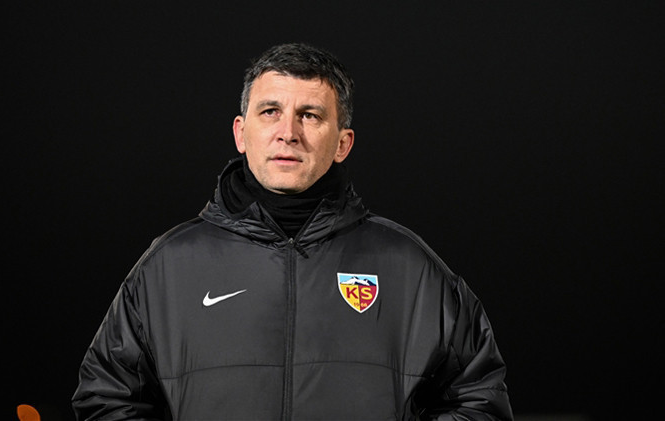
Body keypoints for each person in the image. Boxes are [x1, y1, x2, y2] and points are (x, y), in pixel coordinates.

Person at [72, 43, 513, 420]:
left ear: (343, 143)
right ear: (241, 133)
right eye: (271, 112)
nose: (288, 133)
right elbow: (107, 398)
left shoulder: (408, 266)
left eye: (310, 115)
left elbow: (480, 398)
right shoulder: (170, 265)